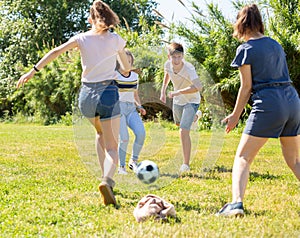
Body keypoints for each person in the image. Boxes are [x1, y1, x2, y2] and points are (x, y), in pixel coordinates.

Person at [16, 0, 131, 206]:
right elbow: (126, 67)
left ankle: (103, 179)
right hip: (107, 92)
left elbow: (55, 52)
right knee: (113, 147)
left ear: (91, 19)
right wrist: (124, 66)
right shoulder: (115, 39)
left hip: (86, 96)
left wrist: (32, 71)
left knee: (99, 134)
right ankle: (107, 180)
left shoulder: (82, 38)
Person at [216, 4, 300, 217]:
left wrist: (235, 116)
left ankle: (236, 204)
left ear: (240, 23)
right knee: (295, 161)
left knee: (243, 156)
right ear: (259, 21)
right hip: (292, 100)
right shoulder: (275, 44)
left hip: (269, 103)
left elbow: (246, 88)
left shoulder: (246, 49)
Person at [160, 42, 202, 172]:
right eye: (174, 57)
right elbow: (167, 75)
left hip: (192, 100)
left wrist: (178, 92)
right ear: (169, 57)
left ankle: (185, 164)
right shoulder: (167, 65)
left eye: (179, 56)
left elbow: (198, 87)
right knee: (179, 125)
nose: (177, 60)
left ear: (183, 56)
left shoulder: (189, 68)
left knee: (184, 131)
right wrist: (163, 91)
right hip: (178, 101)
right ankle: (195, 117)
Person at [115, 49, 146, 174]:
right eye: (124, 61)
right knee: (124, 138)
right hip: (118, 109)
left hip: (131, 109)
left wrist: (140, 107)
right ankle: (121, 167)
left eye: (129, 61)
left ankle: (133, 161)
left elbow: (135, 96)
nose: (127, 64)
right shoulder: (114, 75)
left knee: (141, 133)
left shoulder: (135, 77)